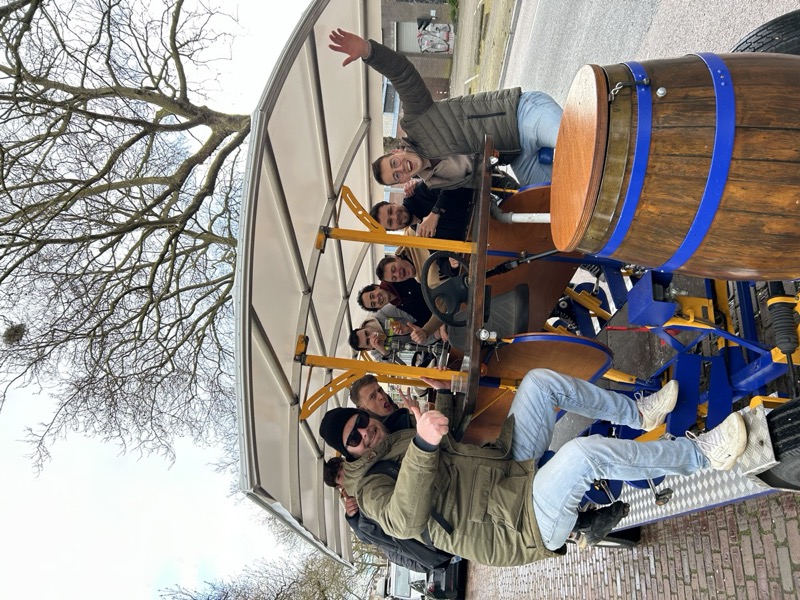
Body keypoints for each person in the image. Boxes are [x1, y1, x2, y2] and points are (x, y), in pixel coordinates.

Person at [318, 369, 748, 566]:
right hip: (515, 526)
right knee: (582, 454)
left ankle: (639, 414)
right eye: (353, 438)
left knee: (539, 383)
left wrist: (443, 396)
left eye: (363, 424)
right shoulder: (369, 486)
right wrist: (421, 444)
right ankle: (703, 456)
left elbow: (445, 447)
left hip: (506, 468)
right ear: (348, 454)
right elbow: (404, 521)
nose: (364, 433)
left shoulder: (391, 437)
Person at [329, 28, 562, 189]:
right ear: (402, 182)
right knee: (551, 202)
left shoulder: (417, 121)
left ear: (396, 153)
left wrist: (369, 51)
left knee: (575, 141)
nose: (401, 168)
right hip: (517, 155)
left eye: (394, 164)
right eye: (397, 175)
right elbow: (484, 183)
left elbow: (402, 74)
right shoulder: (436, 181)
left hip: (522, 114)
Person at [323, 457, 454, 573]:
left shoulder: (373, 467)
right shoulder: (358, 515)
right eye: (339, 476)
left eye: (342, 468)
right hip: (433, 543)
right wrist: (353, 517)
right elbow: (385, 546)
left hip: (441, 507)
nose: (345, 474)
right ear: (339, 487)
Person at [370, 180, 473, 240]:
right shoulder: (421, 235)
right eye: (390, 222)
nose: (395, 216)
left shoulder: (418, 191)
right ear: (394, 230)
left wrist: (435, 213)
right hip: (478, 236)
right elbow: (440, 261)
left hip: (481, 203)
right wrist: (451, 264)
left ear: (393, 203)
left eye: (390, 211)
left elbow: (452, 183)